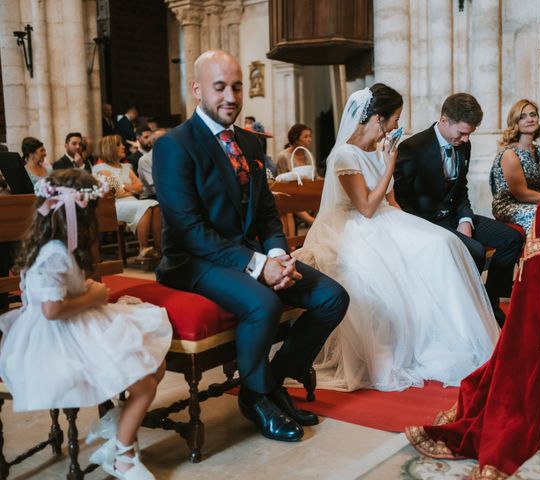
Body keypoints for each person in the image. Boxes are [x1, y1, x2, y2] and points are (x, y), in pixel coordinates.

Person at [152, 50, 349, 442]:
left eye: (237, 87)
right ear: (197, 90)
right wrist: (259, 265)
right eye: (219, 87)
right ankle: (258, 396)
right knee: (264, 304)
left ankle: (269, 381)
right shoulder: (175, 145)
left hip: (246, 252)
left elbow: (266, 214)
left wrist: (277, 254)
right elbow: (189, 229)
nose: (230, 96)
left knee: (332, 297)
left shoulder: (249, 142)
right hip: (193, 260)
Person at [293, 85, 500, 392]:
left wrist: (413, 228)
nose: (395, 126)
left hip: (385, 219)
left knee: (442, 243)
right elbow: (365, 207)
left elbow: (392, 204)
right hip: (353, 227)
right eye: (394, 119)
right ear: (378, 118)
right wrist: (390, 164)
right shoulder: (344, 155)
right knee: (420, 256)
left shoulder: (378, 150)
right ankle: (428, 338)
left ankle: (455, 333)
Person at [0, 169, 172, 479]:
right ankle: (123, 456)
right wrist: (92, 297)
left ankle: (116, 425)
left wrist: (87, 290)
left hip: (78, 322)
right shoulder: (53, 252)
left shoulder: (57, 245)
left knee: (154, 363)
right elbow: (51, 311)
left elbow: (60, 291)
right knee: (145, 385)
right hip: (59, 338)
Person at [394, 93, 523, 326]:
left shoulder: (464, 145)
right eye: (462, 133)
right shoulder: (412, 148)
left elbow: (461, 187)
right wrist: (419, 228)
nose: (465, 139)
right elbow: (400, 197)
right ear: (444, 121)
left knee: (511, 238)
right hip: (426, 221)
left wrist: (465, 218)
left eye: (469, 133)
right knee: (474, 250)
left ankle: (489, 301)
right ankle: (462, 310)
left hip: (454, 215)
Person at [490, 99, 540, 234]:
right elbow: (522, 194)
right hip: (509, 206)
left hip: (532, 202)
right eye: (522, 117)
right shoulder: (510, 154)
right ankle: (536, 254)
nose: (530, 119)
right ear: (515, 123)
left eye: (533, 115)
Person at [92, 135, 162, 259]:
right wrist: (130, 188)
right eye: (119, 145)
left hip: (132, 201)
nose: (124, 147)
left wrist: (124, 186)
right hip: (114, 205)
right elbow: (118, 192)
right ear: (110, 148)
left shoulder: (126, 167)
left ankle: (159, 249)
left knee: (155, 205)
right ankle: (142, 248)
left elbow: (140, 188)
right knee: (146, 205)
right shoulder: (102, 169)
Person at [275, 124, 316, 225]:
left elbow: (315, 177)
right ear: (295, 138)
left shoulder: (309, 155)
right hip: (291, 195)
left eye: (310, 136)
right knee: (290, 201)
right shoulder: (284, 156)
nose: (309, 139)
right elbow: (281, 184)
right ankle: (312, 222)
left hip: (308, 192)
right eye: (305, 136)